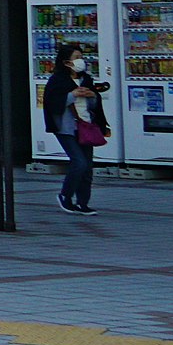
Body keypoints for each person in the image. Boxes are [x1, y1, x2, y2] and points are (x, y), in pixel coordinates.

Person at [41, 42, 105, 215]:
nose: (80, 61)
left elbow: (94, 104)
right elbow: (52, 103)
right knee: (79, 162)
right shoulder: (57, 80)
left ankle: (83, 202)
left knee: (87, 167)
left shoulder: (86, 79)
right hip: (66, 127)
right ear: (66, 62)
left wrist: (92, 95)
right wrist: (72, 95)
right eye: (76, 58)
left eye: (81, 57)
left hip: (86, 125)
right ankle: (65, 196)